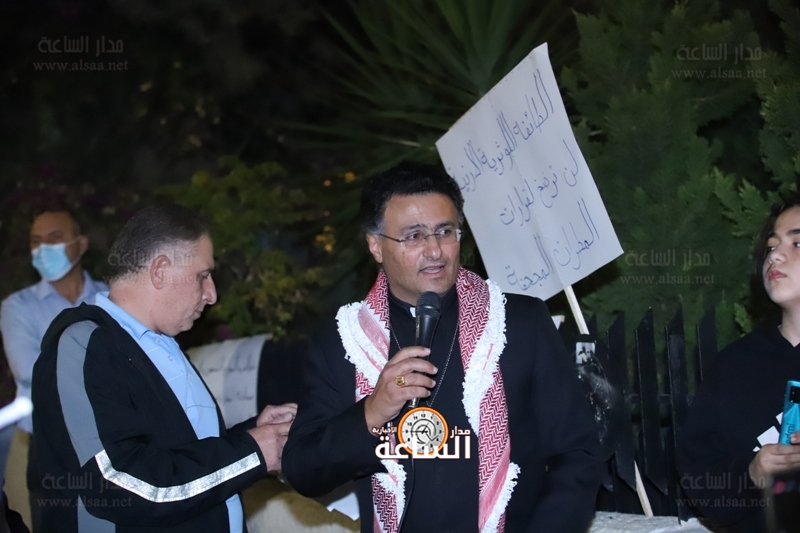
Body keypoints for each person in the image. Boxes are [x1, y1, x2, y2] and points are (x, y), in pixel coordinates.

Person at [282, 162, 603, 532]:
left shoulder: (518, 323)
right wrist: (371, 412)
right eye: (414, 236)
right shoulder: (342, 341)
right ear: (375, 245)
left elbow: (577, 454)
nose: (434, 251)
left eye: (445, 232)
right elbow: (304, 471)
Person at [30, 204, 295, 532]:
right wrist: (252, 452)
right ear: (160, 271)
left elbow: (179, 455)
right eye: (202, 276)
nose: (212, 294)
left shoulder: (160, 344)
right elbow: (119, 484)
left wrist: (253, 433)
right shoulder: (81, 346)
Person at [677, 194, 800, 532]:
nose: (775, 255)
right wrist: (751, 474)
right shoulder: (735, 365)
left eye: (797, 243)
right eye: (771, 246)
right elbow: (698, 475)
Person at [0, 207, 107, 530]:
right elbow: (32, 372)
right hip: (51, 447)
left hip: (112, 441)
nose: (43, 249)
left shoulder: (111, 299)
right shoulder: (18, 307)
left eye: (55, 238)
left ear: (81, 244)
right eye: (36, 241)